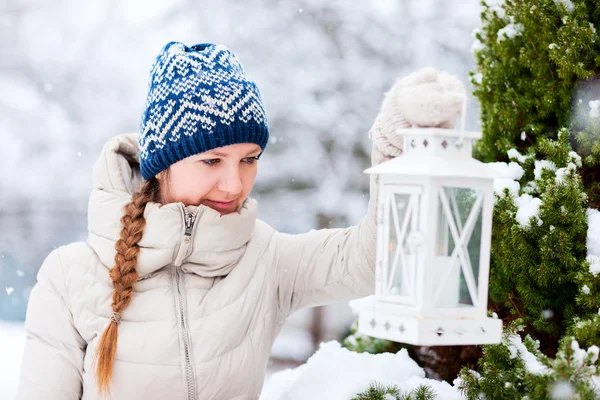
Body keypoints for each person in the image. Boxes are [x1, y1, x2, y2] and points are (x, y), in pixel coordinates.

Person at [16, 42, 465, 399]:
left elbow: (371, 258)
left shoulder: (265, 259)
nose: (235, 184)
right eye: (212, 160)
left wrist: (396, 153)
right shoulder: (70, 277)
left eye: (249, 159)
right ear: (162, 165)